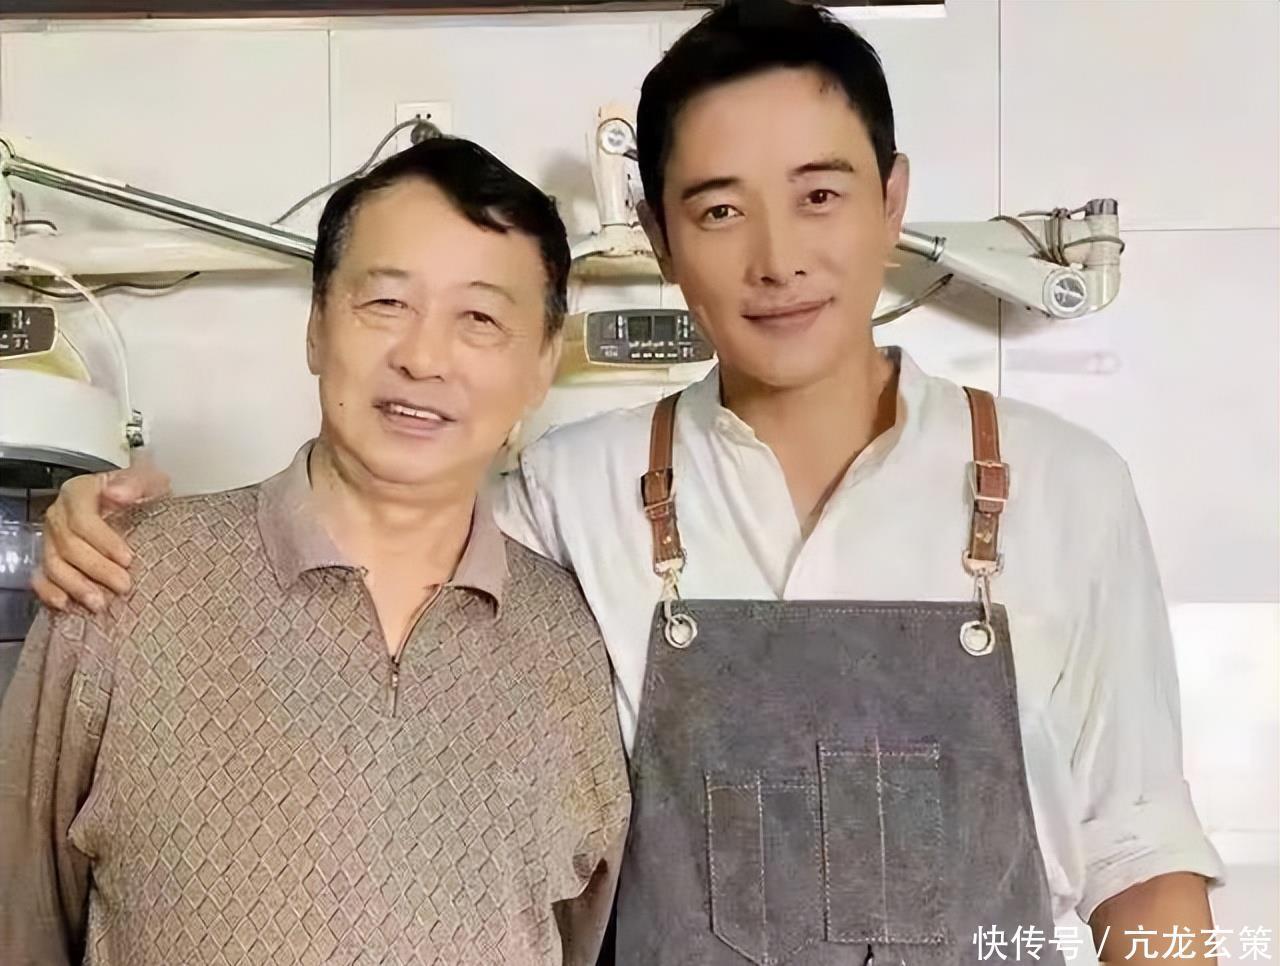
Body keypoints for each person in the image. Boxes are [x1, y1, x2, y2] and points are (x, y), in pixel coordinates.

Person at [32, 2, 1223, 963]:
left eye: (818, 194)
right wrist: (117, 533)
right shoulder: (571, 490)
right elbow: (376, 538)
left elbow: (1141, 857)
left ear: (892, 198)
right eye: (720, 209)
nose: (777, 258)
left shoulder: (1064, 490)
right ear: (658, 236)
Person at [1, 137, 629, 966]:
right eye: (386, 303)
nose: (422, 358)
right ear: (316, 325)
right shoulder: (122, 583)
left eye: (479, 318)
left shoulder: (572, 642)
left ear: (542, 363)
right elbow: (18, 917)